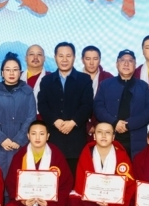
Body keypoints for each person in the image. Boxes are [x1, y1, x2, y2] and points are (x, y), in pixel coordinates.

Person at [0, 121, 74, 206]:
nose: (37, 137)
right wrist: (23, 200)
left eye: (41, 134)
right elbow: (11, 183)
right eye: (34, 134)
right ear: (28, 136)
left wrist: (50, 201)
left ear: (48, 136)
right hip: (25, 202)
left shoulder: (56, 155)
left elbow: (66, 184)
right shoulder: (20, 155)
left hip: (50, 203)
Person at [69, 122, 136, 206]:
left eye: (108, 133)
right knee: (74, 201)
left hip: (114, 202)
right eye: (100, 132)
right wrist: (96, 198)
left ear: (113, 137)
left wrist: (112, 200)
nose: (104, 136)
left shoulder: (121, 155)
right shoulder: (87, 152)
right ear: (94, 136)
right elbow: (81, 181)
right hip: (92, 200)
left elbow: (129, 184)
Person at [37, 42, 94, 176]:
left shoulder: (84, 79)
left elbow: (87, 105)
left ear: (74, 57)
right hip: (53, 138)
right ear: (55, 57)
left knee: (75, 178)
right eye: (61, 56)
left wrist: (73, 122)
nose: (64, 59)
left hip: (76, 139)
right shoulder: (46, 81)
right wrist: (55, 121)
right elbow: (42, 105)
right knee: (53, 178)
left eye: (68, 56)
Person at [0, 53, 36, 179]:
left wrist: (19, 139)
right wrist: (1, 139)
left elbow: (31, 117)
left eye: (15, 70)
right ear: (2, 73)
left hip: (20, 144)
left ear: (20, 72)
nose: (11, 73)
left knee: (20, 179)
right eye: (8, 70)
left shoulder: (27, 92)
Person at [94, 50, 149, 158]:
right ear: (117, 64)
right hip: (111, 137)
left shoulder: (143, 86)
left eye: (130, 61)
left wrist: (129, 124)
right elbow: (98, 108)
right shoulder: (105, 85)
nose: (126, 64)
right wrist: (114, 122)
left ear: (135, 65)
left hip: (136, 140)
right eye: (122, 60)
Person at [81, 45, 113, 140]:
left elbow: (112, 105)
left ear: (100, 60)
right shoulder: (75, 79)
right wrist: (87, 125)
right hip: (80, 127)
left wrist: (99, 125)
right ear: (82, 60)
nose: (91, 63)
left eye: (95, 59)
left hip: (104, 128)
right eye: (88, 59)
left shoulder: (108, 78)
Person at [21, 44, 50, 109]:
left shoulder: (52, 78)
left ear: (44, 58)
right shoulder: (17, 77)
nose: (35, 57)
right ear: (25, 58)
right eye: (31, 54)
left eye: (39, 54)